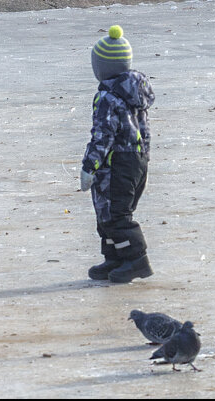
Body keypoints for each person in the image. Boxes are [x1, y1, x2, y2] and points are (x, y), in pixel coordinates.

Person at [80, 25, 155, 283]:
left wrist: (89, 167)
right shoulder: (135, 92)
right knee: (109, 214)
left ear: (102, 68)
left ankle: (137, 260)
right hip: (136, 161)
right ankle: (115, 258)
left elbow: (102, 135)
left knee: (115, 215)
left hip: (116, 164)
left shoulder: (108, 97)